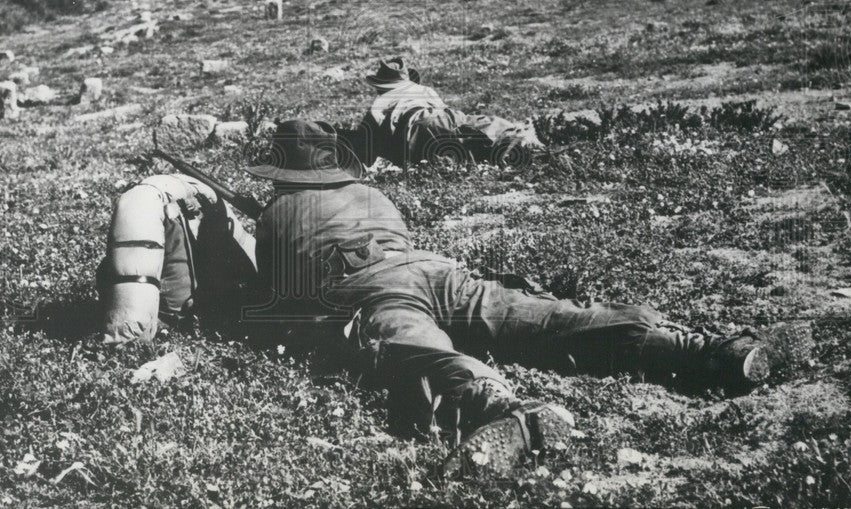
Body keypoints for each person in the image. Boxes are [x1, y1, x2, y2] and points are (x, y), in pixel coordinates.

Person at [247, 120, 770, 476]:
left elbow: (283, 299)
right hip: (434, 269)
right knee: (540, 318)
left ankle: (504, 410)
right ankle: (697, 349)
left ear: (284, 171)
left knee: (419, 348)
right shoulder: (372, 194)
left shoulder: (275, 215)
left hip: (370, 288)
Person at [349, 57, 543, 168]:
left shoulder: (379, 102)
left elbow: (368, 140)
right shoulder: (423, 90)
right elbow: (442, 111)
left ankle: (502, 150)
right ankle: (514, 140)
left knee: (453, 151)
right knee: (471, 127)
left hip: (412, 139)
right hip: (437, 119)